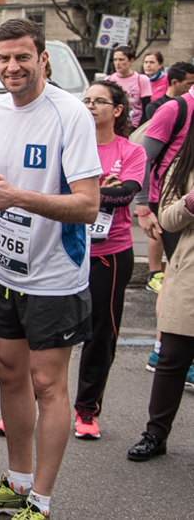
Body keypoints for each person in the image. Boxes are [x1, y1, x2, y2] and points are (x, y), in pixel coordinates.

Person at [0, 18, 100, 520]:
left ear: (44, 59)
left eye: (23, 57)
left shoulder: (70, 115)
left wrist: (20, 196)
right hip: (7, 273)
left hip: (56, 276)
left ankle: (40, 501)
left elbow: (87, 206)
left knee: (47, 384)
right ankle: (17, 484)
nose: (13, 67)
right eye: (4, 58)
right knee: (8, 372)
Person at [72, 81, 146, 440]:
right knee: (45, 330)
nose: (90, 106)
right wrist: (105, 186)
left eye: (99, 101)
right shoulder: (71, 143)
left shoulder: (131, 151)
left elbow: (127, 194)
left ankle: (87, 410)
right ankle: (27, 405)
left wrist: (87, 192)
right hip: (68, 249)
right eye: (86, 100)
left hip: (110, 254)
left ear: (117, 110)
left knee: (101, 333)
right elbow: (55, 190)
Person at [127, 127, 194, 463]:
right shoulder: (185, 161)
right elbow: (167, 218)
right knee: (172, 357)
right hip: (190, 274)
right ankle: (155, 434)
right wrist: (191, 201)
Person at [137, 62, 194, 378]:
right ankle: (163, 351)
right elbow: (143, 156)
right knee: (175, 278)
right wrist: (144, 206)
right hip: (170, 203)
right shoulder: (178, 108)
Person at [105, 45, 151, 128]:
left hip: (134, 125)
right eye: (115, 60)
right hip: (114, 126)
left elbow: (146, 108)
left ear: (131, 61)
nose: (117, 63)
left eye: (121, 59)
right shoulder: (109, 80)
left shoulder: (142, 80)